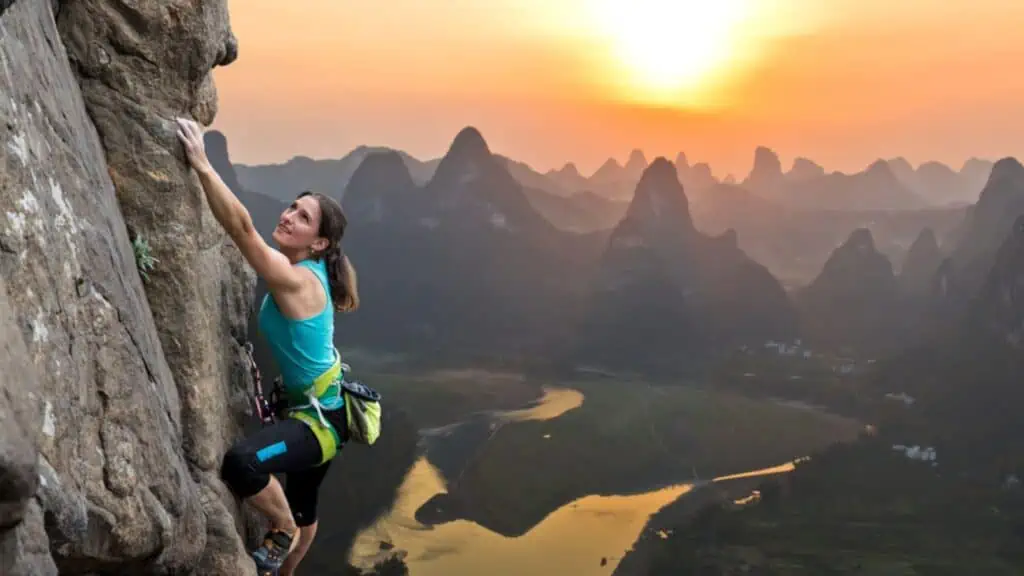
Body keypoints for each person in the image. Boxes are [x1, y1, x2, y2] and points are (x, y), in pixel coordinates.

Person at [175, 117, 359, 576]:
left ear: (319, 243)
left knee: (241, 465)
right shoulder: (306, 273)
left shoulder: (297, 280)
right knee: (305, 513)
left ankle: (279, 527)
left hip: (317, 426)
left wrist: (201, 164)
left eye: (303, 217)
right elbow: (311, 522)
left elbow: (241, 229)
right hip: (324, 412)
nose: (288, 216)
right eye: (292, 207)